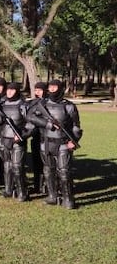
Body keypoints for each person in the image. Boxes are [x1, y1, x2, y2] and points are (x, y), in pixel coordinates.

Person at [27, 79, 83, 209]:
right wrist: (47, 124)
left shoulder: (69, 106)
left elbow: (76, 126)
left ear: (60, 89)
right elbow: (30, 117)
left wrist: (74, 140)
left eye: (55, 87)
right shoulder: (42, 104)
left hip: (63, 144)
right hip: (46, 143)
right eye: (50, 87)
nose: (52, 89)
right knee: (48, 170)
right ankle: (52, 196)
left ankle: (68, 199)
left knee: (64, 172)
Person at [0, 82, 30, 201]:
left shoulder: (23, 105)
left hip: (17, 139)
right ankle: (8, 189)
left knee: (17, 166)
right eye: (8, 90)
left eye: (12, 90)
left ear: (17, 91)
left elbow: (30, 123)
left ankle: (22, 192)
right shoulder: (2, 104)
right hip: (4, 138)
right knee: (7, 165)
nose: (9, 92)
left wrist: (22, 135)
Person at [25, 81, 47, 194]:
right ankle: (37, 185)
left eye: (40, 90)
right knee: (36, 162)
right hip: (35, 136)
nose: (37, 92)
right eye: (36, 89)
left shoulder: (48, 103)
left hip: (46, 137)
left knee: (47, 163)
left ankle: (47, 186)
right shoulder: (32, 103)